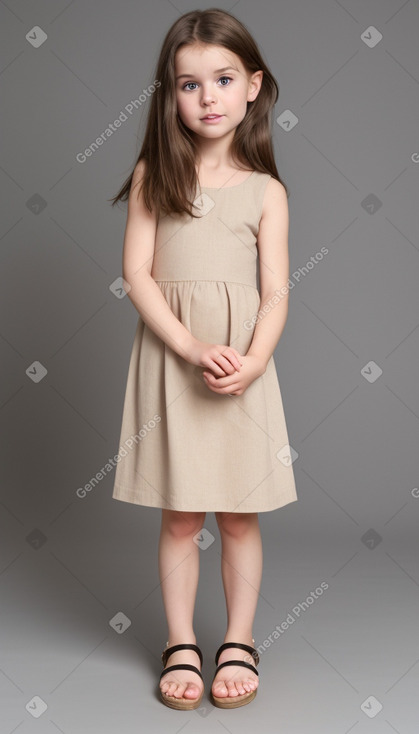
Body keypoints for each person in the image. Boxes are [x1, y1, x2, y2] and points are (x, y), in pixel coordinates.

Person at [110, 7, 298, 710]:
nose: (208, 97)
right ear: (170, 95)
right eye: (189, 85)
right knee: (183, 516)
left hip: (240, 369)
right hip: (177, 360)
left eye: (222, 79)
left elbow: (275, 291)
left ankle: (240, 639)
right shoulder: (153, 174)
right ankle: (181, 641)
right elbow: (137, 274)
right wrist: (189, 347)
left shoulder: (264, 191)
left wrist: (251, 362)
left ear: (252, 85)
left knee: (240, 514)